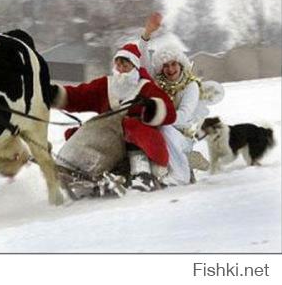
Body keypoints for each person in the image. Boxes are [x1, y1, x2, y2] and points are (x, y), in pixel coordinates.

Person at [52, 42, 177, 192]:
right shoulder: (106, 85)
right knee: (88, 132)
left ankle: (142, 173)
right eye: (118, 65)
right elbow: (81, 95)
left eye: (125, 65)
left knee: (132, 126)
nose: (121, 70)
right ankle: (74, 169)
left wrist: (152, 107)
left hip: (133, 139)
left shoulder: (146, 87)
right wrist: (55, 95)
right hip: (107, 137)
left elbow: (169, 113)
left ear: (135, 67)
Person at [139, 12, 210, 185]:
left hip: (182, 136)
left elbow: (184, 115)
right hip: (159, 130)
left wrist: (161, 118)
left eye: (173, 64)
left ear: (180, 64)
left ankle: (181, 174)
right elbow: (143, 62)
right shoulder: (158, 82)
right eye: (166, 66)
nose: (170, 69)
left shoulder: (190, 86)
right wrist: (147, 34)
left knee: (165, 129)